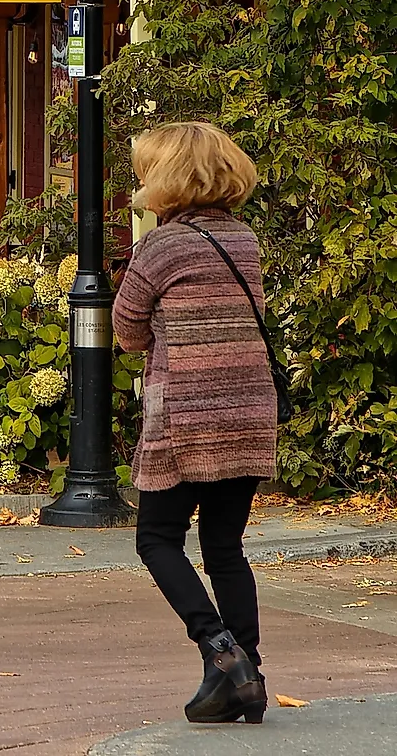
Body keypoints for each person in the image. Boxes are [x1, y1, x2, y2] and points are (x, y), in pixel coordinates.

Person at [115, 121, 280, 726]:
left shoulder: (160, 247)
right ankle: (248, 677)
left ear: (168, 178)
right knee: (225, 547)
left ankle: (219, 648)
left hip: (186, 414)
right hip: (249, 409)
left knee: (156, 538)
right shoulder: (245, 240)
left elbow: (128, 332)